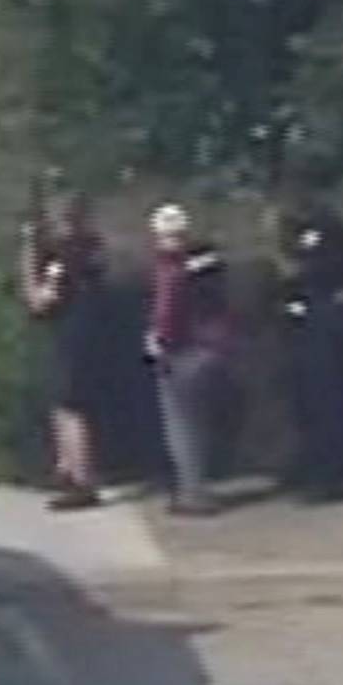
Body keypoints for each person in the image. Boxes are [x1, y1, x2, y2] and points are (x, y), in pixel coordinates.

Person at [20, 191, 115, 511]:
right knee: (67, 404)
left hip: (70, 335)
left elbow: (39, 300)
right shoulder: (92, 249)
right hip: (89, 333)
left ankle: (80, 478)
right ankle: (69, 470)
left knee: (70, 407)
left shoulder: (62, 260)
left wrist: (28, 255)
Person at [275, 185, 343, 501]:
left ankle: (327, 475)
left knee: (325, 402)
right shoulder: (307, 231)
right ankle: (312, 468)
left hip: (325, 328)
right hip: (311, 326)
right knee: (309, 402)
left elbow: (331, 272)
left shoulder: (329, 232)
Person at [146, 203, 231, 516]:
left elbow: (166, 313)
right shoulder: (209, 266)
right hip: (214, 349)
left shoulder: (172, 270)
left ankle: (192, 494)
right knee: (199, 422)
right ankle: (199, 487)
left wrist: (159, 344)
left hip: (183, 352)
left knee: (181, 427)